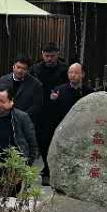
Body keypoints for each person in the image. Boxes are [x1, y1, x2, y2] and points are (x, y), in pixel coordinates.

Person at [31, 44, 68, 182]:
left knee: (57, 140)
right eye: (47, 56)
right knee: (42, 140)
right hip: (40, 110)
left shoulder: (64, 69)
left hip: (58, 110)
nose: (49, 59)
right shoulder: (36, 69)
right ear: (42, 55)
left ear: (57, 54)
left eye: (52, 56)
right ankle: (47, 167)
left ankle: (50, 169)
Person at [44, 62, 88, 156]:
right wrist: (53, 100)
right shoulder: (59, 90)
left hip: (82, 129)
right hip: (63, 129)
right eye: (70, 72)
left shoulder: (89, 91)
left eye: (76, 73)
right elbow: (52, 114)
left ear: (83, 74)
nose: (72, 75)